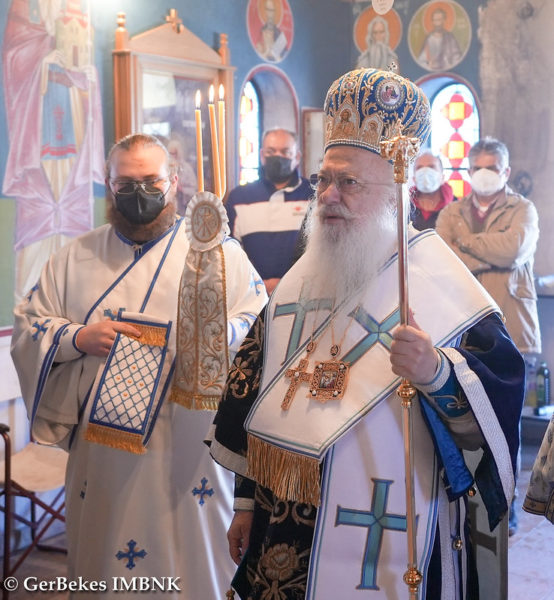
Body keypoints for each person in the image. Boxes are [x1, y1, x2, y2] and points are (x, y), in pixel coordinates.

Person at [208, 68, 524, 599]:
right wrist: (245, 504)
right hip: (287, 528)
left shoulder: (441, 285)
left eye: (349, 182)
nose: (329, 196)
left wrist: (437, 373)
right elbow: (255, 392)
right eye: (323, 180)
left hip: (394, 524)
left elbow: (498, 402)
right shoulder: (300, 280)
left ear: (396, 190)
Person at [11, 134, 267, 599]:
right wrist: (78, 338)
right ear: (109, 185)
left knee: (193, 551)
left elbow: (256, 323)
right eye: (125, 183)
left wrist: (213, 336)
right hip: (103, 446)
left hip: (190, 439)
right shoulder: (75, 256)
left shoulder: (217, 253)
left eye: (151, 181)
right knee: (106, 554)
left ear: (174, 181)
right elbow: (31, 325)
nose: (139, 193)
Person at [436, 136, 541, 536]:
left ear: (505, 171)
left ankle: (503, 508)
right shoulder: (451, 212)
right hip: (460, 329)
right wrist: (485, 253)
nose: (484, 174)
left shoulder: (523, 209)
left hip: (510, 329)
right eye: (477, 166)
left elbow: (514, 249)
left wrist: (464, 245)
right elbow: (441, 258)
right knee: (460, 421)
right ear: (467, 170)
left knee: (505, 426)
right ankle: (461, 507)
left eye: (491, 167)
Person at [2, 0, 105, 303]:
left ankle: (72, 298)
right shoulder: (24, 17)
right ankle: (29, 301)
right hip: (38, 143)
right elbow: (13, 60)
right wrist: (44, 62)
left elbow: (84, 75)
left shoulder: (80, 20)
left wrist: (87, 80)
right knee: (41, 210)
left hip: (72, 141)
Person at [226, 128, 312, 295]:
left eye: (285, 152)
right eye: (271, 151)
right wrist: (256, 284)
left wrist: (287, 284)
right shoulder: (239, 197)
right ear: (262, 155)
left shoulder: (313, 194)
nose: (278, 157)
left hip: (301, 295)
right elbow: (230, 252)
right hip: (252, 296)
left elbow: (319, 250)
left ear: (297, 157)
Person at [410, 150, 455, 230]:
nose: (425, 172)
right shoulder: (405, 206)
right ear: (414, 179)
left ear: (442, 177)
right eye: (419, 168)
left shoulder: (456, 207)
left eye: (431, 167)